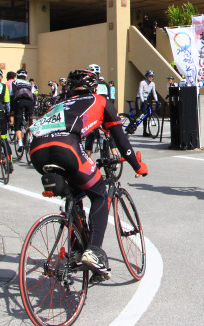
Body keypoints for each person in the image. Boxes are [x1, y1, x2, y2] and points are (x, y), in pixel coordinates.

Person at [29, 69, 148, 280]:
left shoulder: (58, 105)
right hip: (66, 148)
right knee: (99, 193)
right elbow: (121, 141)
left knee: (74, 194)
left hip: (37, 151)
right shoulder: (99, 100)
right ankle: (93, 251)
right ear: (94, 86)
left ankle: (76, 252)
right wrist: (137, 165)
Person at [84, 63, 111, 156]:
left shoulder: (91, 85)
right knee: (109, 133)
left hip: (96, 114)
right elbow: (110, 99)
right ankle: (115, 156)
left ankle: (87, 159)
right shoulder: (106, 85)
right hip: (107, 111)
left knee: (90, 136)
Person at [10, 69, 36, 153]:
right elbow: (33, 95)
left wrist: (12, 110)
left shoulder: (14, 83)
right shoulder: (29, 83)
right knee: (30, 120)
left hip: (19, 102)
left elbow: (11, 95)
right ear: (25, 77)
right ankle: (31, 138)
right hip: (29, 103)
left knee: (17, 123)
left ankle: (20, 143)